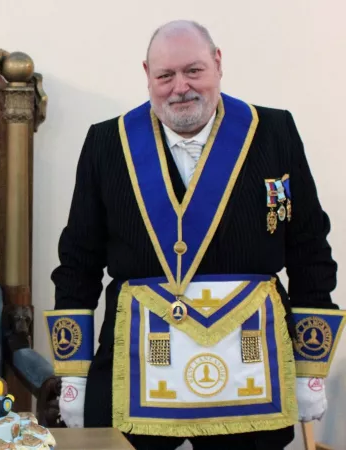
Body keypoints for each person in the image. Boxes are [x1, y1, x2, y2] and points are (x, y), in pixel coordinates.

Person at [46, 20, 343, 449]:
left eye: (194, 71)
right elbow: (78, 261)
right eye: (165, 76)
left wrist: (309, 367)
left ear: (218, 63)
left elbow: (309, 249)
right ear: (147, 74)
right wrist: (73, 373)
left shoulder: (274, 132)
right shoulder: (108, 142)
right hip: (137, 358)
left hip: (251, 357)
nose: (180, 87)